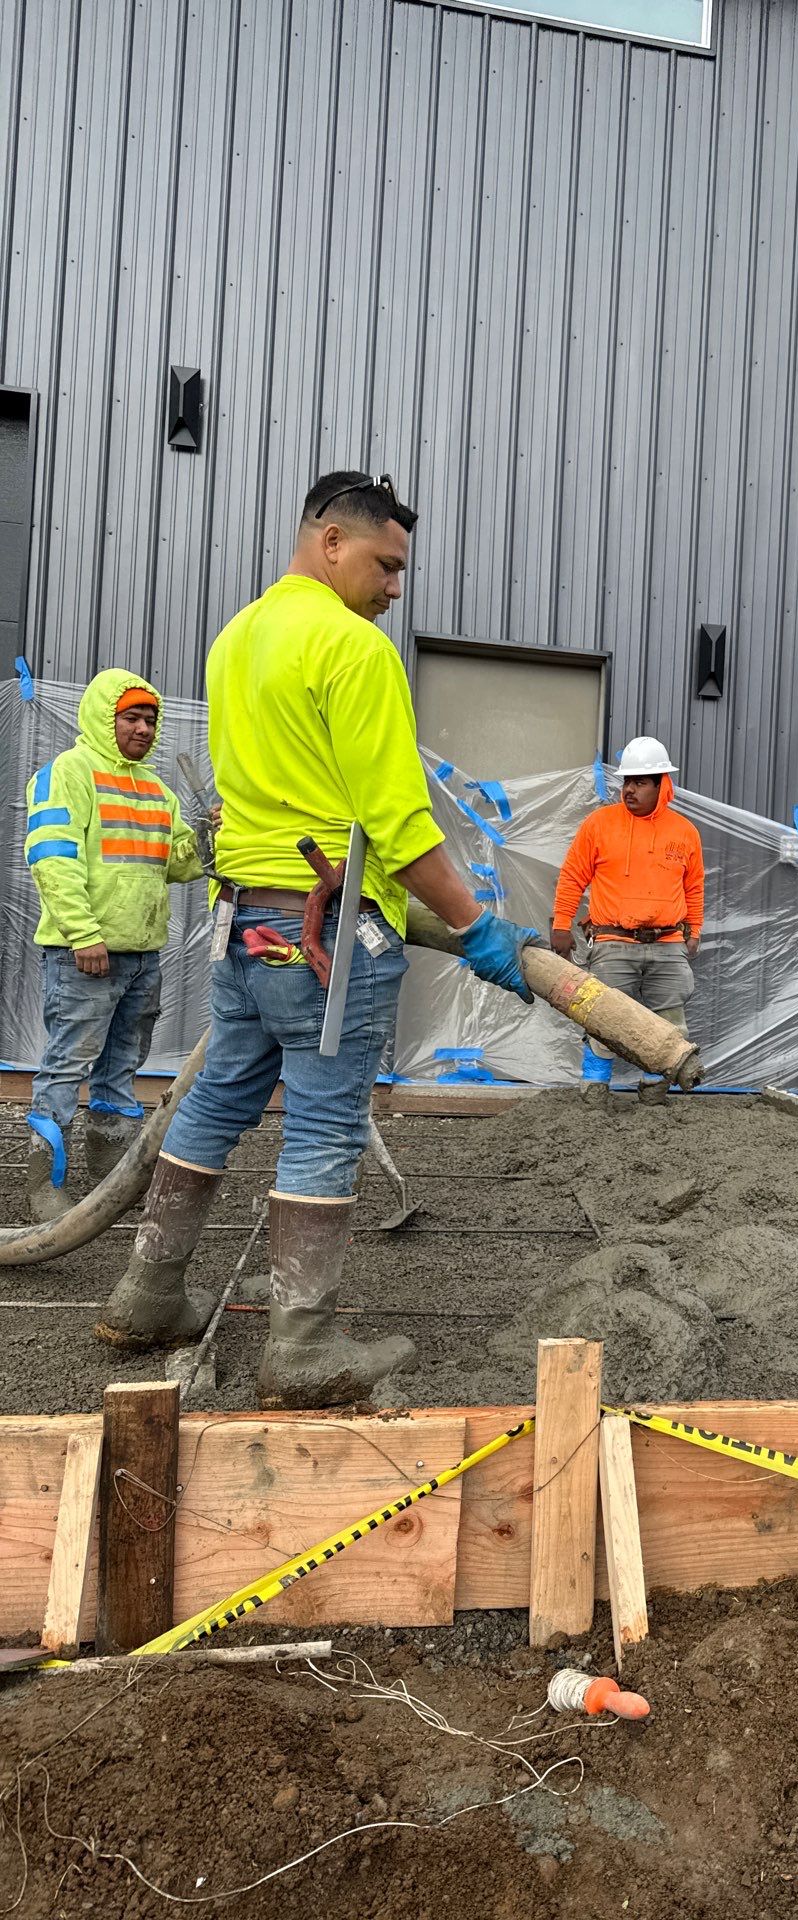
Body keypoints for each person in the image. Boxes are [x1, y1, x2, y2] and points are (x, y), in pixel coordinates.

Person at [96, 471, 539, 1407]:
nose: (395, 588)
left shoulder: (237, 638)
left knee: (216, 1101)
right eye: (386, 563)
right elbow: (402, 827)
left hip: (248, 919)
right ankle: (300, 1348)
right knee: (328, 1117)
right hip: (331, 929)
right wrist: (479, 928)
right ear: (330, 542)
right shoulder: (353, 648)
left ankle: (147, 1295)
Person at [22, 672, 206, 1223]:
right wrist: (84, 935)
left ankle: (107, 1185)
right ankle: (45, 1191)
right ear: (107, 718)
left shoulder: (157, 789)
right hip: (87, 954)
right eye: (132, 718)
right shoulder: (67, 774)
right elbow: (53, 861)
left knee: (122, 1065)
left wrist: (205, 836)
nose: (144, 729)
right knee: (67, 1065)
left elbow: (178, 865)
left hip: (142, 955)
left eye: (151, 720)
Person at [550, 736, 704, 1107]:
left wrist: (694, 931)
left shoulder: (684, 832)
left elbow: (694, 886)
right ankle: (594, 1096)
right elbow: (572, 876)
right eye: (626, 781)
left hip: (669, 946)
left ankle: (653, 1098)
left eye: (639, 782)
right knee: (603, 1021)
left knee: (668, 1026)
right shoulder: (599, 825)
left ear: (661, 785)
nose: (629, 789)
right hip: (612, 943)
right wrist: (560, 925)